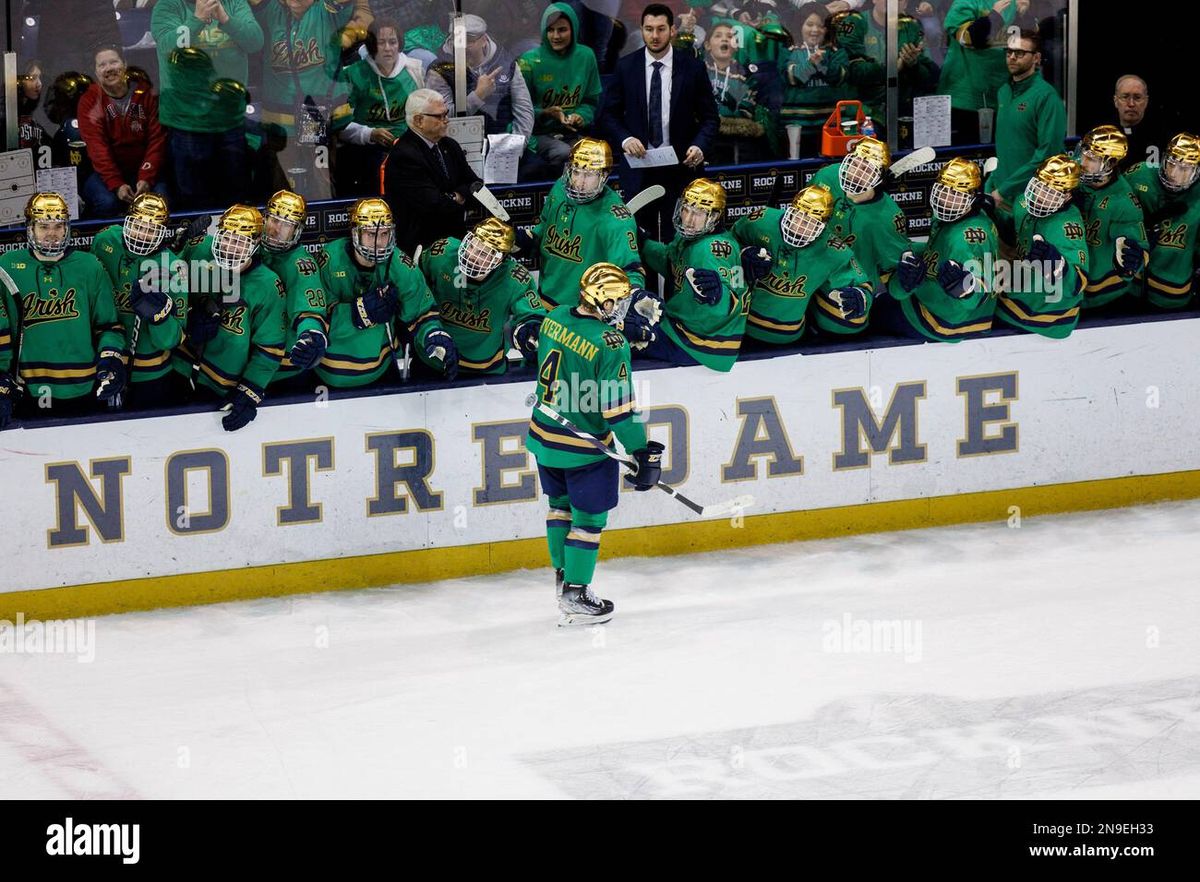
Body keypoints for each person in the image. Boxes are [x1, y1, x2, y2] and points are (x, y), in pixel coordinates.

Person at [525, 262, 664, 625]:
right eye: (617, 301)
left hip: (543, 435)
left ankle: (562, 580)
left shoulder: (554, 316)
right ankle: (576, 592)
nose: (621, 308)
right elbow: (618, 410)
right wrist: (641, 451)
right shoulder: (610, 343)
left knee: (559, 507)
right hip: (582, 448)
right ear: (600, 302)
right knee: (588, 520)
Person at [0, 193, 125, 424]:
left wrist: (112, 359)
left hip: (84, 387)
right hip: (27, 390)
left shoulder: (89, 266)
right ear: (30, 228)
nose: (52, 234)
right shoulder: (6, 267)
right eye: (44, 226)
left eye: (59, 225)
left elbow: (109, 326)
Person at [598, 4, 720, 240]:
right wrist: (625, 138)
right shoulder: (626, 67)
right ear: (642, 30)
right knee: (641, 240)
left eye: (661, 29)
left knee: (680, 240)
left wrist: (700, 145)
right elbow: (607, 115)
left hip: (680, 167)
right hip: (638, 168)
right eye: (649, 29)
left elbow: (710, 118)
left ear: (672, 30)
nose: (654, 36)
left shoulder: (692, 67)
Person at [314, 198, 457, 390]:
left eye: (384, 234)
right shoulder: (328, 260)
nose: (379, 243)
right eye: (371, 234)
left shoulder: (401, 266)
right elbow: (314, 317)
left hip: (381, 368)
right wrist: (359, 312)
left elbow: (422, 314)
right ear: (355, 233)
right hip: (328, 372)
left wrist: (433, 334)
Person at [176, 205, 287, 430]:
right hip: (178, 373)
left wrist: (250, 391)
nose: (230, 247)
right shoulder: (200, 251)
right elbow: (170, 284)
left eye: (240, 242)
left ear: (255, 244)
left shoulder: (268, 285)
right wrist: (189, 315)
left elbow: (269, 349)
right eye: (226, 237)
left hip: (221, 387)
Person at [151, 0, 263, 210]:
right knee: (193, 198)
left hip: (229, 120)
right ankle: (197, 241)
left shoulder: (234, 3)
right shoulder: (167, 6)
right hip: (187, 122)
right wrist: (197, 20)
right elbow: (168, 48)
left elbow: (255, 41)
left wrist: (225, 18)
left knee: (234, 194)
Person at [730, 184, 871, 345]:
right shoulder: (760, 220)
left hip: (791, 336)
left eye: (810, 223)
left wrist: (860, 296)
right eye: (798, 217)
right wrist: (742, 254)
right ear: (790, 209)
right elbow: (729, 243)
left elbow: (860, 282)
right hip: (740, 328)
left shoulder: (833, 250)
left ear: (823, 226)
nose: (799, 227)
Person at [518, 138, 648, 308]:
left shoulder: (615, 219)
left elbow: (629, 269)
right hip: (545, 298)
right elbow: (544, 229)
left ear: (604, 175)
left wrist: (636, 295)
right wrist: (525, 240)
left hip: (584, 312)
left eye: (588, 174)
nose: (579, 182)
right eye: (576, 171)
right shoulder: (559, 188)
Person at [636, 178, 749, 372]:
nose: (688, 219)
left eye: (698, 213)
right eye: (686, 209)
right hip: (685, 327)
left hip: (700, 343)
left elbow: (722, 305)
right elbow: (669, 260)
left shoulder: (708, 252)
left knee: (620, 333)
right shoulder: (693, 237)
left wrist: (717, 295)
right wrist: (643, 242)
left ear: (714, 217)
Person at [89, 192, 189, 410]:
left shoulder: (174, 267)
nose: (143, 234)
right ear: (127, 220)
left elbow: (175, 338)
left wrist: (159, 316)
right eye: (138, 225)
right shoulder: (105, 240)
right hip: (104, 364)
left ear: (162, 233)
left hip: (151, 374)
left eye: (152, 230)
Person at [885, 157, 1000, 341]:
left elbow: (978, 294)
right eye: (944, 191)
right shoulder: (965, 213)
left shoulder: (964, 239)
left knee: (875, 312)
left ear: (973, 198)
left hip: (947, 321)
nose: (946, 200)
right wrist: (908, 249)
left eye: (956, 195)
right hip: (945, 307)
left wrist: (966, 289)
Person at [254, 0, 356, 200]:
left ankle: (322, 231)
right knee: (281, 188)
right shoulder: (271, 9)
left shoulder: (328, 10)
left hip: (319, 117)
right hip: (280, 121)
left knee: (322, 184)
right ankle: (281, 230)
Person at [418, 218, 546, 375]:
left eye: (482, 253)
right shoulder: (442, 254)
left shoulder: (515, 278)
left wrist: (529, 329)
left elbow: (531, 315)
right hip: (433, 360)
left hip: (485, 367)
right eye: (471, 245)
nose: (471, 254)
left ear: (499, 259)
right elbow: (413, 286)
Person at [808, 137, 907, 326]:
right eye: (855, 162)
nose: (856, 172)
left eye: (866, 169)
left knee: (845, 325)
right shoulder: (826, 176)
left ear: (878, 176)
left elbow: (894, 282)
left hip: (846, 289)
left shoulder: (889, 217)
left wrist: (906, 280)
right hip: (808, 275)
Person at [994, 155, 1089, 338]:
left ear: (1067, 196)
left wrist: (1059, 266)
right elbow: (1014, 232)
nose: (1041, 196)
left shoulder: (1066, 227)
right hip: (1025, 289)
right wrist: (994, 214)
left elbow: (1078, 283)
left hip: (1049, 312)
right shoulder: (1023, 203)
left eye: (1051, 193)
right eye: (1040, 187)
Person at [382, 90, 482, 256]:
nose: (446, 120)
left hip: (456, 240)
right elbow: (433, 205)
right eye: (440, 116)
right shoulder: (404, 155)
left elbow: (476, 185)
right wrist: (461, 197)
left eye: (446, 114)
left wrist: (455, 196)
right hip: (422, 247)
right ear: (419, 120)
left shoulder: (450, 145)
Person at [334, 18, 425, 196]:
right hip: (366, 152)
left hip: (408, 148)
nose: (388, 48)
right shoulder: (352, 75)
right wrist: (369, 134)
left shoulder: (414, 71)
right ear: (371, 45)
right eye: (381, 42)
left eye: (392, 42)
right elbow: (339, 126)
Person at [77, 46, 169, 218]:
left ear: (125, 65)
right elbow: (98, 149)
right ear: (95, 72)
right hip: (104, 174)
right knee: (107, 203)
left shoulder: (146, 94)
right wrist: (116, 184)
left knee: (159, 201)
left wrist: (146, 177)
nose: (109, 68)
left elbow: (157, 140)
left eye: (114, 62)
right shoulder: (90, 101)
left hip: (144, 168)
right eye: (102, 65)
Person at [517, 4, 603, 178]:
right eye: (550, 30)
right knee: (565, 153)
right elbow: (519, 111)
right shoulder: (529, 61)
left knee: (599, 154)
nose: (556, 36)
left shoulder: (586, 56)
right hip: (537, 134)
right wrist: (547, 113)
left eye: (562, 30)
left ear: (574, 29)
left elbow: (591, 101)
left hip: (573, 133)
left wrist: (580, 116)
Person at [984, 30, 1065, 215]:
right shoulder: (1003, 91)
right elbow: (1007, 145)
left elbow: (1048, 155)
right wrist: (993, 182)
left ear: (1036, 58)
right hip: (1000, 196)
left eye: (1020, 53)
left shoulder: (1047, 97)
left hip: (1032, 199)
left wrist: (1004, 189)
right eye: (1009, 51)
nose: (1012, 57)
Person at [257, 190, 331, 392]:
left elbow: (309, 312)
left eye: (287, 224)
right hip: (250, 365)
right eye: (274, 220)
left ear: (297, 231)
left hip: (284, 371)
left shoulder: (301, 265)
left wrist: (311, 335)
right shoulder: (250, 245)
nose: (276, 229)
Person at [1072, 126, 1148, 312]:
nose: (1082, 161)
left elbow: (1136, 253)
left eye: (1091, 159)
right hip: (1072, 291)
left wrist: (1132, 261)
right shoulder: (1075, 178)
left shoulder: (1123, 203)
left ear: (1110, 163)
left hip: (1104, 298)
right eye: (1083, 153)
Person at [427, 14, 534, 144]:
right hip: (458, 147)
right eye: (458, 40)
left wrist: (516, 147)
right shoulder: (439, 70)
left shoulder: (506, 64)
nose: (463, 46)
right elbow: (441, 118)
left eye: (469, 40)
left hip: (502, 143)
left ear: (484, 40)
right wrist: (478, 96)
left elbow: (524, 111)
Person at [1125, 133, 1200, 310]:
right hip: (1128, 289)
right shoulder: (1139, 175)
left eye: (1184, 168)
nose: (1173, 173)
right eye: (1171, 163)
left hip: (1172, 299)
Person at [939, 0, 1023, 143]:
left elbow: (1030, 47)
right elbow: (968, 38)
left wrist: (1024, 16)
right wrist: (995, 17)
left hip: (1003, 99)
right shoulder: (965, 3)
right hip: (965, 101)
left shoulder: (1016, 4)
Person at [781, 5, 849, 158]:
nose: (815, 30)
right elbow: (791, 78)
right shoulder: (789, 51)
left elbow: (840, 77)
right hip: (797, 126)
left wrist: (822, 63)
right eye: (809, 24)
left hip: (830, 126)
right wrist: (811, 65)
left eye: (820, 26)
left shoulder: (836, 51)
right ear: (800, 26)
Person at [1110, 75, 1165, 172]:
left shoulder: (1162, 137)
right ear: (1115, 101)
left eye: (1137, 97)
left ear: (1146, 101)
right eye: (1125, 97)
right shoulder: (1105, 135)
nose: (1131, 104)